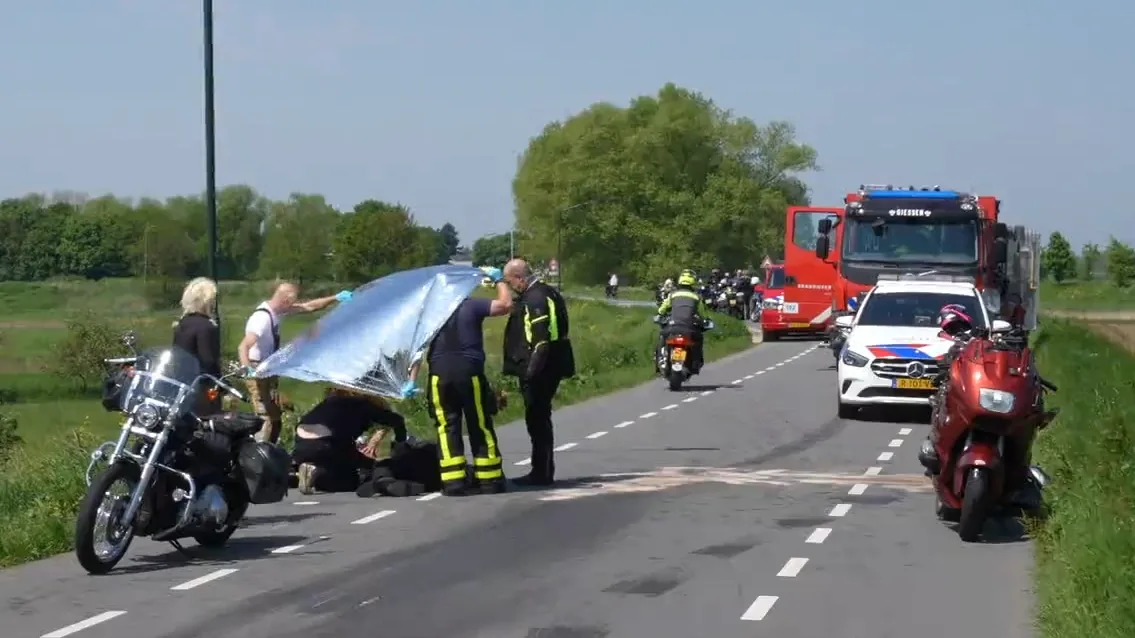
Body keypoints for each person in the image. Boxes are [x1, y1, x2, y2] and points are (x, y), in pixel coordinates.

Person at [418, 271, 514, 496]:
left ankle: (453, 482)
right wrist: (499, 280)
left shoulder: (429, 312)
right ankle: (490, 480)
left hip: (439, 374)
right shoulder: (471, 305)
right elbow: (506, 305)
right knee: (479, 422)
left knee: (446, 426)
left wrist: (410, 380)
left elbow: (415, 346)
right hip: (469, 371)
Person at [238, 282, 352, 444]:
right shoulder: (261, 319)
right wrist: (248, 368)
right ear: (284, 300)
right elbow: (243, 346)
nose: (293, 305)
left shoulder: (277, 311)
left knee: (275, 417)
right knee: (266, 418)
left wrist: (336, 298)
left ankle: (269, 448)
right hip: (256, 370)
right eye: (291, 302)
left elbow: (308, 307)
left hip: (267, 369)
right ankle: (258, 450)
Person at [502, 258, 575, 486]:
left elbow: (541, 342)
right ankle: (542, 469)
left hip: (541, 368)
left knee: (537, 418)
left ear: (519, 278)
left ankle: (541, 472)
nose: (511, 287)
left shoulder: (536, 298)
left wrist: (530, 374)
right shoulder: (546, 292)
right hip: (550, 364)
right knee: (538, 418)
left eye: (510, 282)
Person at [293, 386, 409, 494]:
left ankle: (312, 471)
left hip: (301, 447)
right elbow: (397, 420)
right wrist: (400, 446)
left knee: (338, 467)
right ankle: (318, 472)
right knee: (350, 481)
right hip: (326, 446)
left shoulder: (327, 404)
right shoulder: (362, 406)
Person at [172, 277, 222, 415]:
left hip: (181, 383)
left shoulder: (182, 324)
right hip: (201, 386)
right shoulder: (206, 327)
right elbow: (208, 360)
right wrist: (222, 384)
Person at [655, 269, 711, 374]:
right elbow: (703, 314)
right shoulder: (696, 297)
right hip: (689, 328)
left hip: (673, 327)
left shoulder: (673, 295)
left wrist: (660, 314)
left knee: (662, 336)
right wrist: (705, 321)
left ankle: (660, 361)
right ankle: (696, 364)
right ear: (693, 282)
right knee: (698, 340)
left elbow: (662, 309)